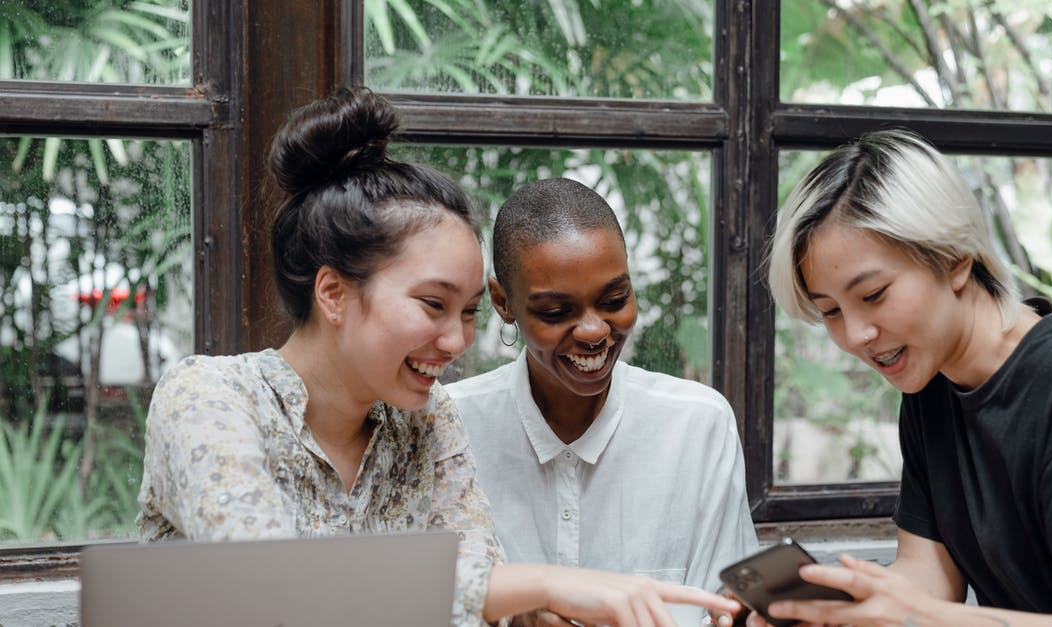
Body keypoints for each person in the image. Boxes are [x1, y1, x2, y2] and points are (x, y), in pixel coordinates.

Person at [136, 87, 739, 627]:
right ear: (334, 293)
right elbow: (270, 585)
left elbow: (480, 584)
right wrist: (545, 584)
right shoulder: (210, 398)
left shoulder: (426, 419)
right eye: (433, 304)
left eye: (469, 311)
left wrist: (525, 611)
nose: (457, 341)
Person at [757, 129, 1052, 627]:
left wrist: (926, 617)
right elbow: (929, 575)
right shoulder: (931, 382)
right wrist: (827, 608)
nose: (857, 335)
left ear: (954, 258)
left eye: (874, 294)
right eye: (831, 311)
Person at [446, 177, 760, 626]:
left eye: (614, 299)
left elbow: (724, 608)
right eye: (556, 312)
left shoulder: (697, 424)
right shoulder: (450, 427)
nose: (594, 331)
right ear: (502, 301)